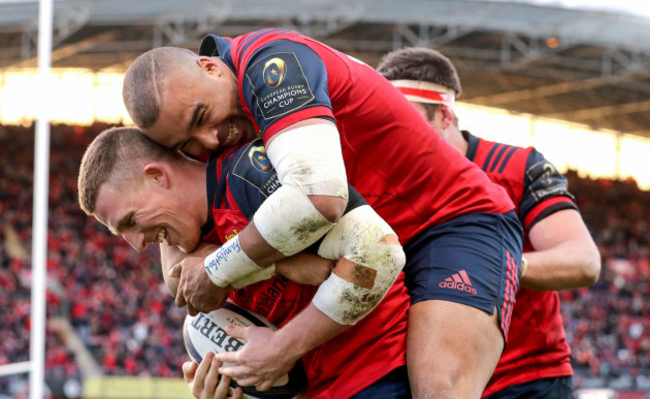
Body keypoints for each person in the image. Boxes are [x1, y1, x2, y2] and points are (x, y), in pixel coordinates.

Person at [122, 28, 523, 398]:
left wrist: (217, 270)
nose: (209, 140)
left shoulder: (271, 61)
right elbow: (180, 277)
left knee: (437, 390)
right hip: (376, 245)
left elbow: (318, 199)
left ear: (210, 67)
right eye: (186, 144)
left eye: (200, 117)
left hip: (453, 221)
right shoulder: (220, 131)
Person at [77, 126, 411, 399]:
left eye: (131, 220)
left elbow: (375, 257)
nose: (137, 245)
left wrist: (282, 341)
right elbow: (283, 370)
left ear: (157, 177)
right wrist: (238, 388)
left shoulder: (252, 177)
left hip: (379, 373)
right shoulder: (195, 268)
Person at [376, 46, 601, 399]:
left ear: (444, 116)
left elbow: (582, 261)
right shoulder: (381, 181)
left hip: (526, 380)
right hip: (430, 383)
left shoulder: (516, 166)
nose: (396, 135)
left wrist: (493, 263)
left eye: (408, 120)